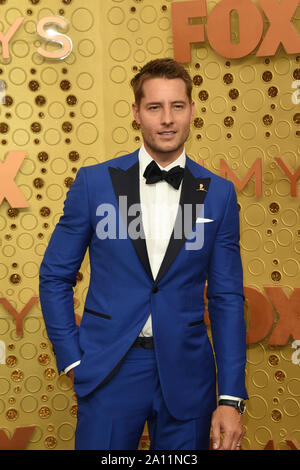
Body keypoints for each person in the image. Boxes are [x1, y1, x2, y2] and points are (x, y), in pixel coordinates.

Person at [39, 58, 248, 451]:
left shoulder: (217, 194)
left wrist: (230, 396)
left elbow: (226, 298)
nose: (167, 119)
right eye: (155, 107)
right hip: (110, 369)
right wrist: (72, 358)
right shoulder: (96, 184)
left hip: (188, 375)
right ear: (136, 112)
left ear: (191, 109)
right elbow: (54, 276)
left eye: (177, 106)